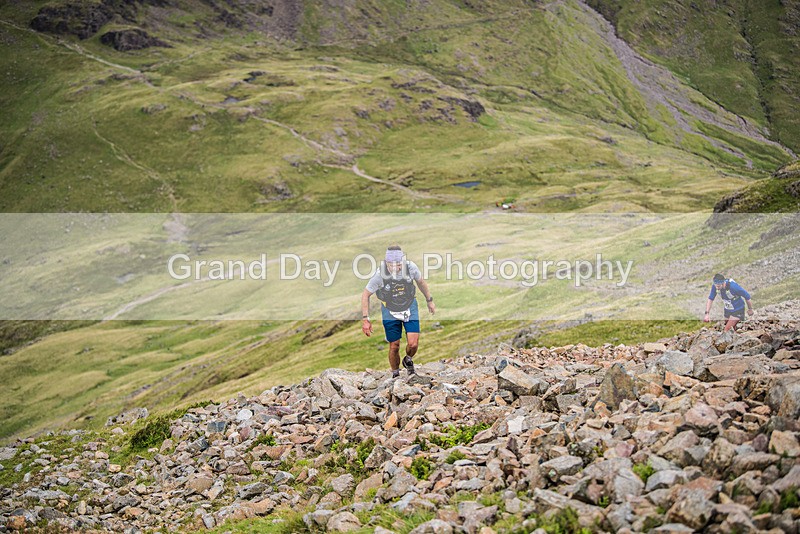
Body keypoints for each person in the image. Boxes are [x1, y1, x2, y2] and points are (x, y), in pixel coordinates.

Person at [361, 245, 435, 378]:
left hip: (409, 306)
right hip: (390, 310)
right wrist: (365, 319)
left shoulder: (410, 267)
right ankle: (395, 374)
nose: (396, 268)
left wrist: (429, 300)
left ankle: (408, 359)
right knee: (394, 345)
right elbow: (365, 294)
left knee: (413, 344)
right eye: (392, 265)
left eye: (399, 264)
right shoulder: (379, 275)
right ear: (387, 263)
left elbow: (421, 282)